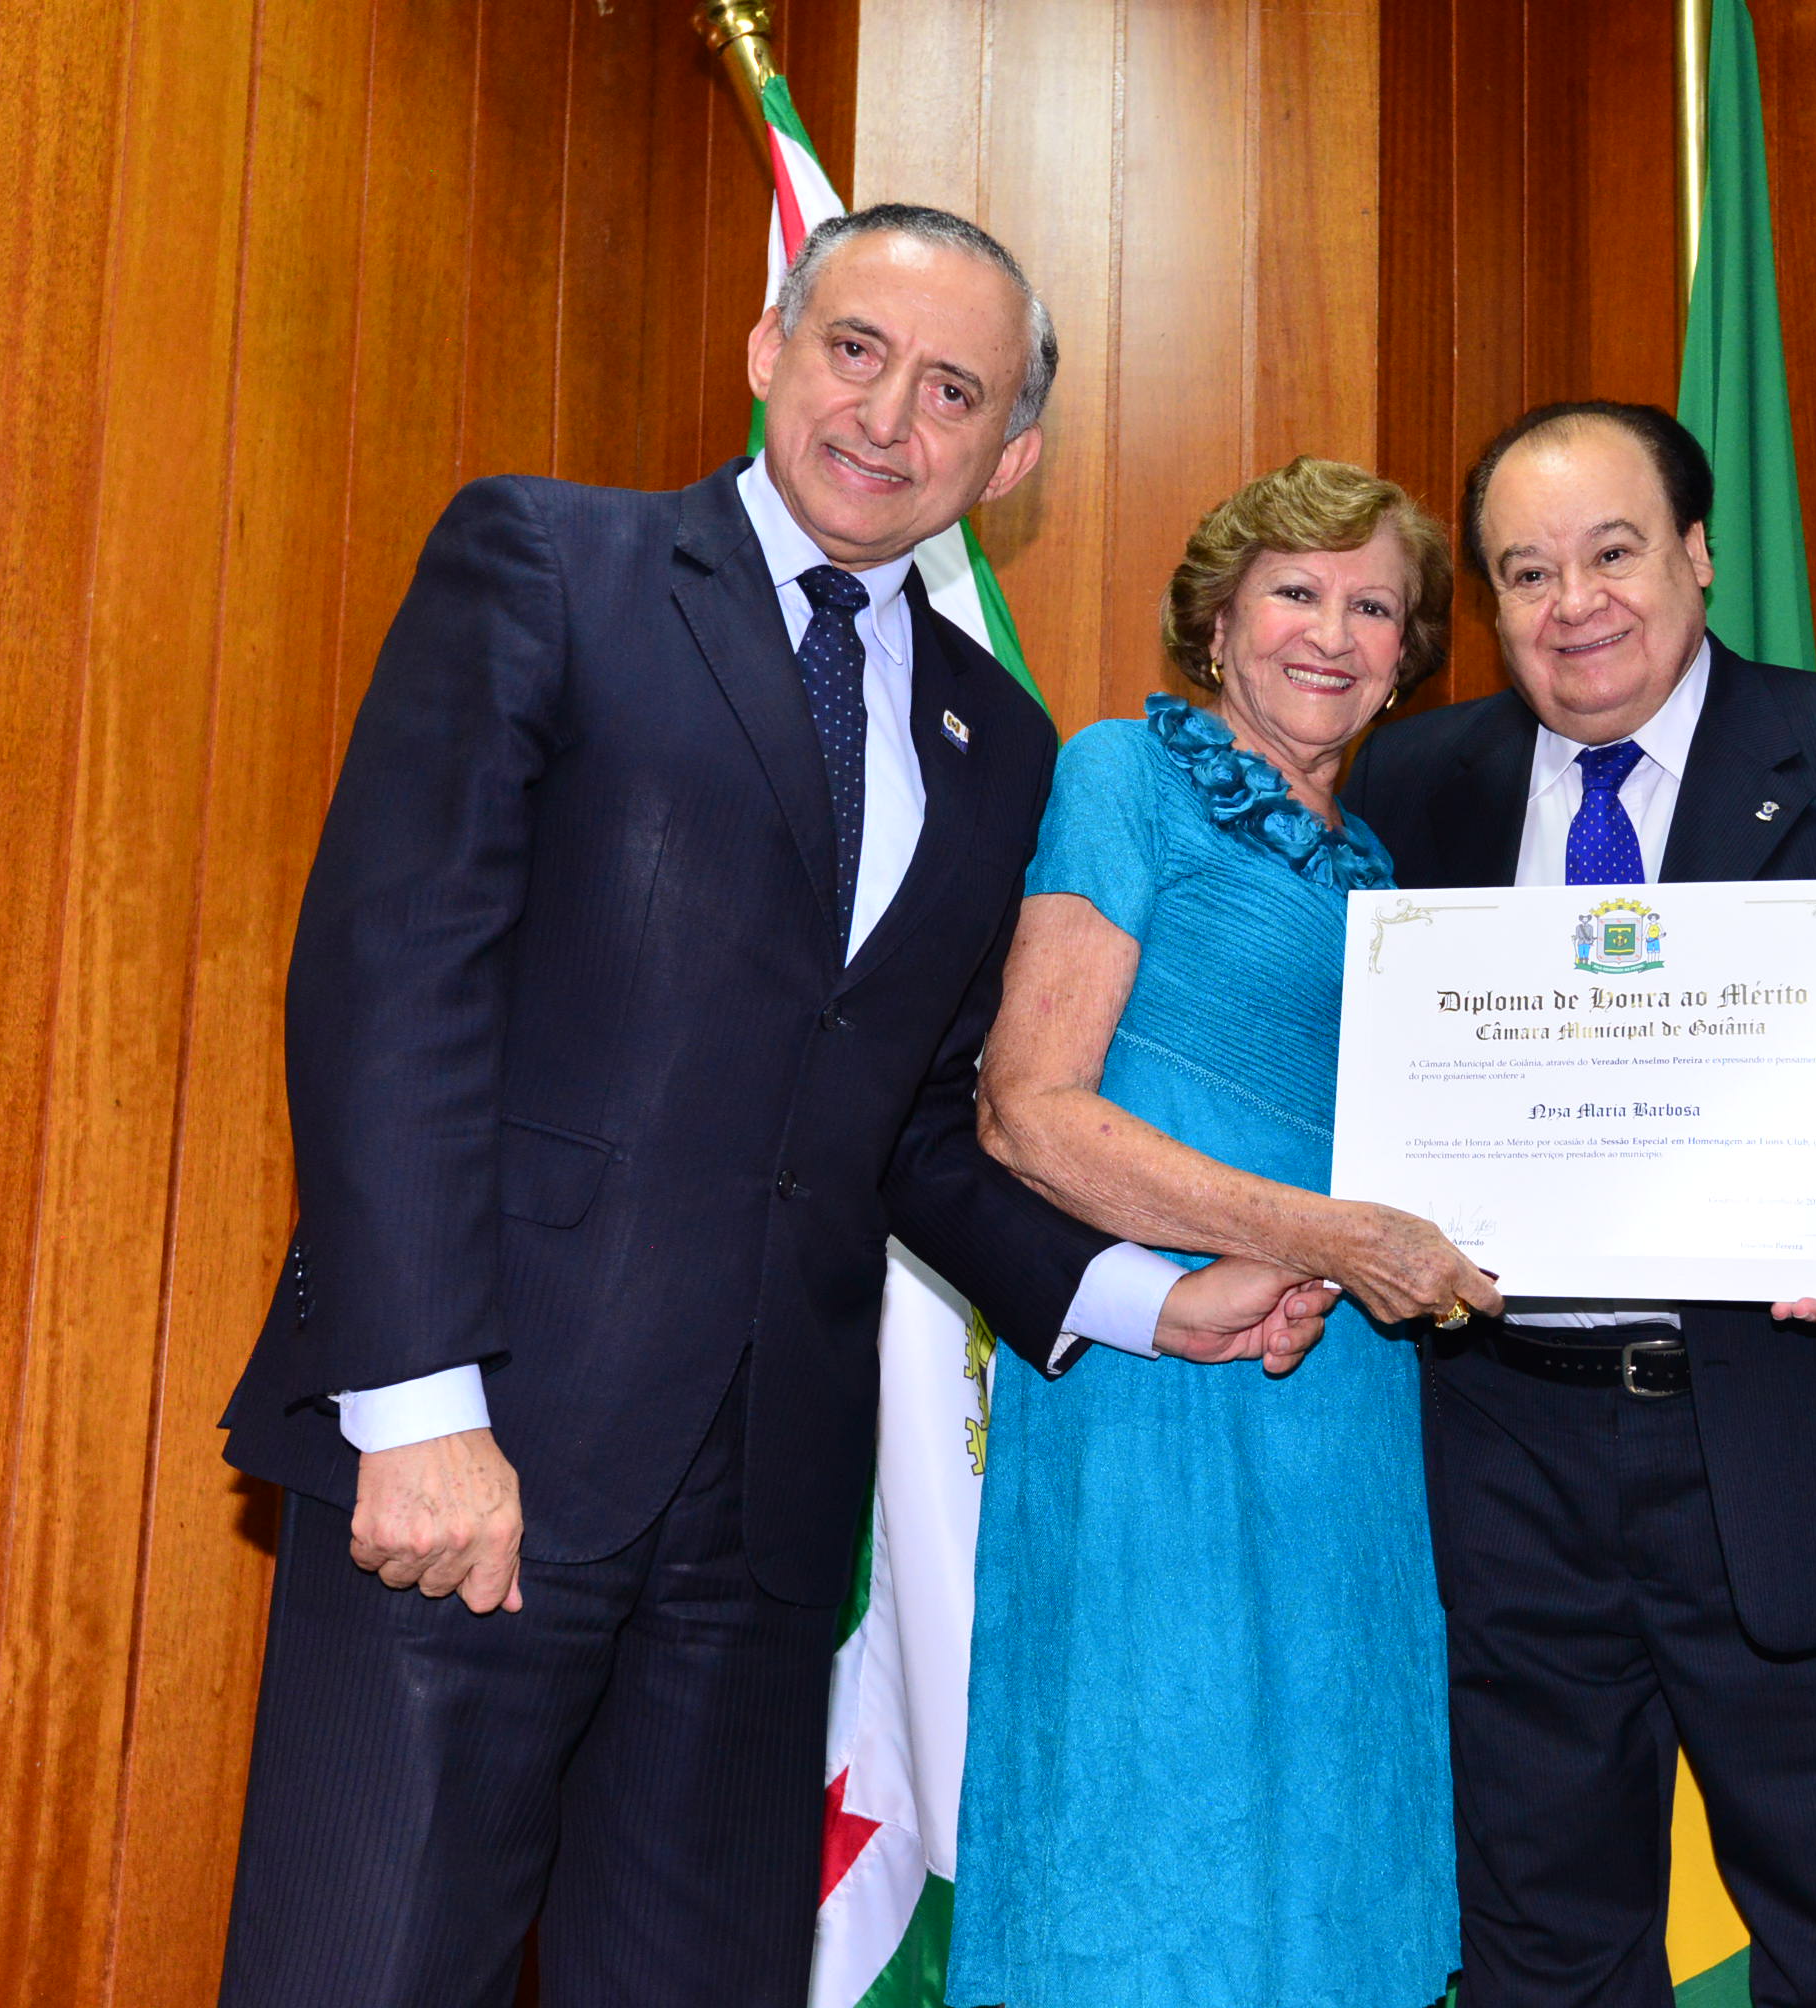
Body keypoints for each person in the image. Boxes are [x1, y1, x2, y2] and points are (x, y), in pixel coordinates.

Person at [213, 204, 1328, 2008]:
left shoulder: (999, 737)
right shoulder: (549, 560)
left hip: (758, 1534)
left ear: (1010, 457)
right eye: (854, 350)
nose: (888, 416)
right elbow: (392, 982)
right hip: (477, 1454)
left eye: (952, 391)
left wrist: (1142, 1297)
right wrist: (412, 1406)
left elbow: (911, 1122)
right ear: (768, 349)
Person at [1338, 402, 1816, 2008]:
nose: (1575, 604)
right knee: (1542, 1957)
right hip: (1505, 1449)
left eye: (1614, 552)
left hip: (1800, 1433)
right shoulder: (1416, 780)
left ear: (1700, 555)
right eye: (1527, 572)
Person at [947, 456, 1495, 2008]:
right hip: (1157, 1364)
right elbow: (1029, 1112)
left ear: (1408, 654)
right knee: (1146, 1791)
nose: (1334, 633)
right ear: (1217, 618)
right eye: (1296, 593)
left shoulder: (1383, 867)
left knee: (1334, 1796)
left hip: (1348, 1384)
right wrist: (1329, 1235)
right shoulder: (1124, 777)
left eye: (1375, 608)